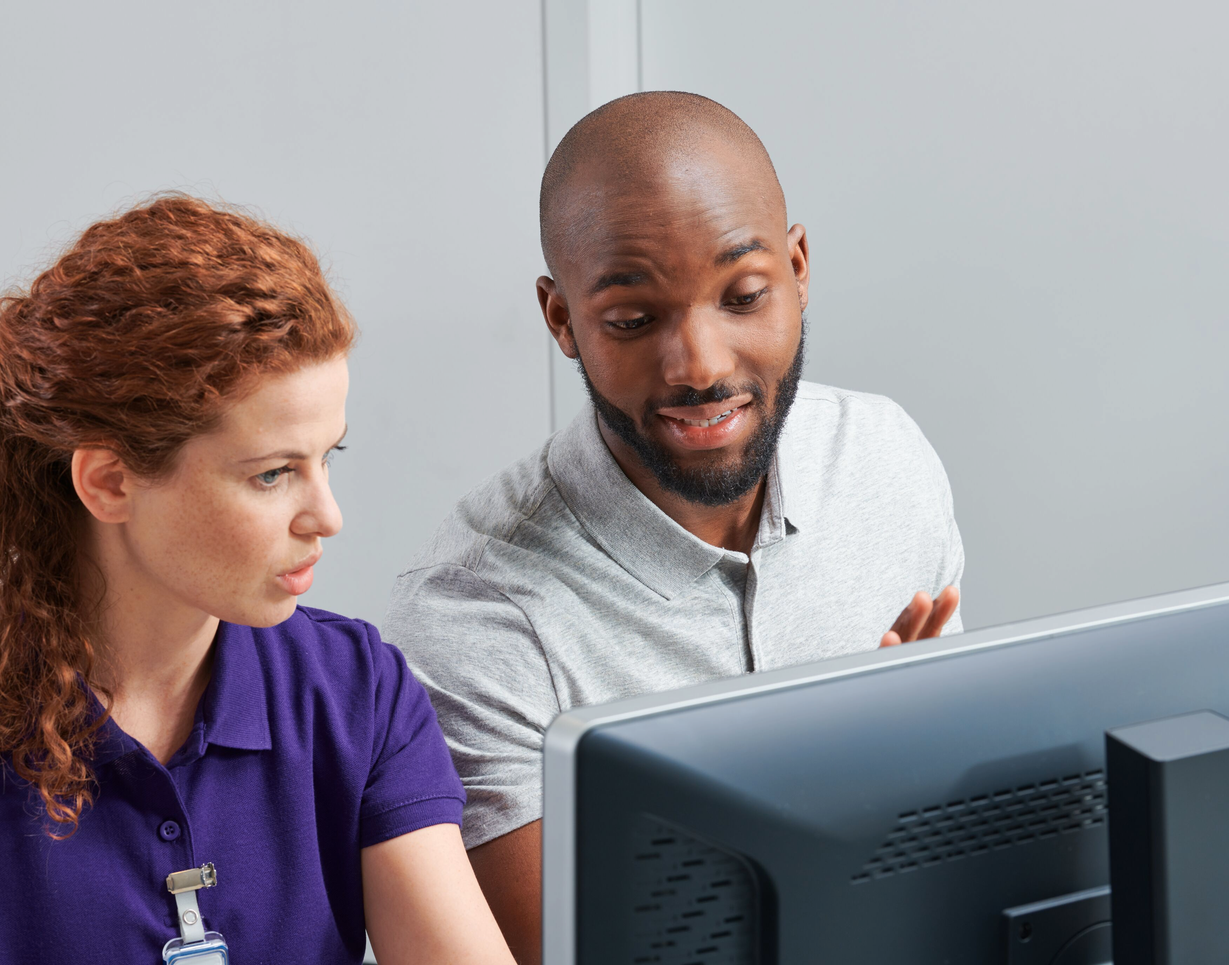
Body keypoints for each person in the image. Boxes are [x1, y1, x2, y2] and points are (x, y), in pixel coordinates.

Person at [0, 197, 515, 965]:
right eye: (272, 474)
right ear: (108, 482)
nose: (325, 515)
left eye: (326, 457)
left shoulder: (358, 692)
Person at [384, 91, 965, 963]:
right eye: (633, 319)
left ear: (800, 270)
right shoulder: (477, 615)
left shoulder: (887, 460)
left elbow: (970, 864)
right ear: (562, 320)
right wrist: (859, 795)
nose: (699, 364)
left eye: (744, 295)